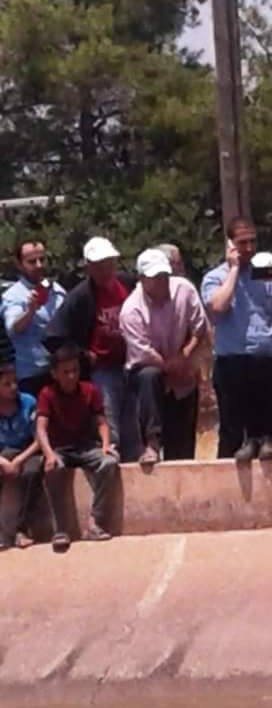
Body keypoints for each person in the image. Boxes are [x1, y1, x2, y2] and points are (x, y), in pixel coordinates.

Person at [201, 220, 272, 463]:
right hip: (231, 363)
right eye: (242, 243)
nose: (249, 247)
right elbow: (218, 306)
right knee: (232, 432)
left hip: (261, 364)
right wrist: (233, 270)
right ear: (230, 245)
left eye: (252, 241)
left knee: (263, 437)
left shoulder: (265, 277)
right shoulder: (214, 278)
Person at [121, 248, 209, 468]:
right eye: (155, 278)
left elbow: (200, 329)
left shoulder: (185, 290)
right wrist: (173, 367)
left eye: (164, 276)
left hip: (183, 363)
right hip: (148, 370)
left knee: (182, 442)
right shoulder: (131, 310)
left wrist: (185, 356)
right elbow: (144, 352)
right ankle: (152, 443)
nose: (161, 282)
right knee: (149, 377)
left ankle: (184, 469)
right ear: (142, 279)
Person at [59, 235, 140, 461]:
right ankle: (110, 463)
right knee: (109, 419)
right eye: (99, 266)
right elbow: (55, 335)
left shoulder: (127, 283)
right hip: (103, 368)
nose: (105, 270)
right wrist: (83, 355)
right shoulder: (80, 296)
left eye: (109, 264)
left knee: (133, 421)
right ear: (89, 268)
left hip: (130, 362)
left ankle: (134, 464)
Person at [35, 342, 119, 549]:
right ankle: (60, 530)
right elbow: (40, 429)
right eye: (66, 372)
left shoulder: (89, 390)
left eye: (75, 370)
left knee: (109, 462)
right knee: (54, 468)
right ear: (55, 374)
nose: (71, 376)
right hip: (60, 449)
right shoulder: (47, 394)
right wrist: (49, 454)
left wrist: (106, 445)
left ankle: (95, 523)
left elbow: (101, 421)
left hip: (86, 446)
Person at [3, 239, 67, 398]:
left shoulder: (56, 289)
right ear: (19, 264)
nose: (39, 265)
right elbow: (13, 328)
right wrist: (31, 310)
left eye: (42, 259)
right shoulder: (13, 296)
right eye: (32, 261)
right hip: (32, 376)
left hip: (61, 372)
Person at [0, 360, 42, 550]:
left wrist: (18, 460)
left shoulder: (29, 402)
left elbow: (39, 439)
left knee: (32, 473)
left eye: (15, 382)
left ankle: (22, 529)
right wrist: (3, 462)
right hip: (2, 454)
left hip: (27, 451)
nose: (13, 387)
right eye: (7, 384)